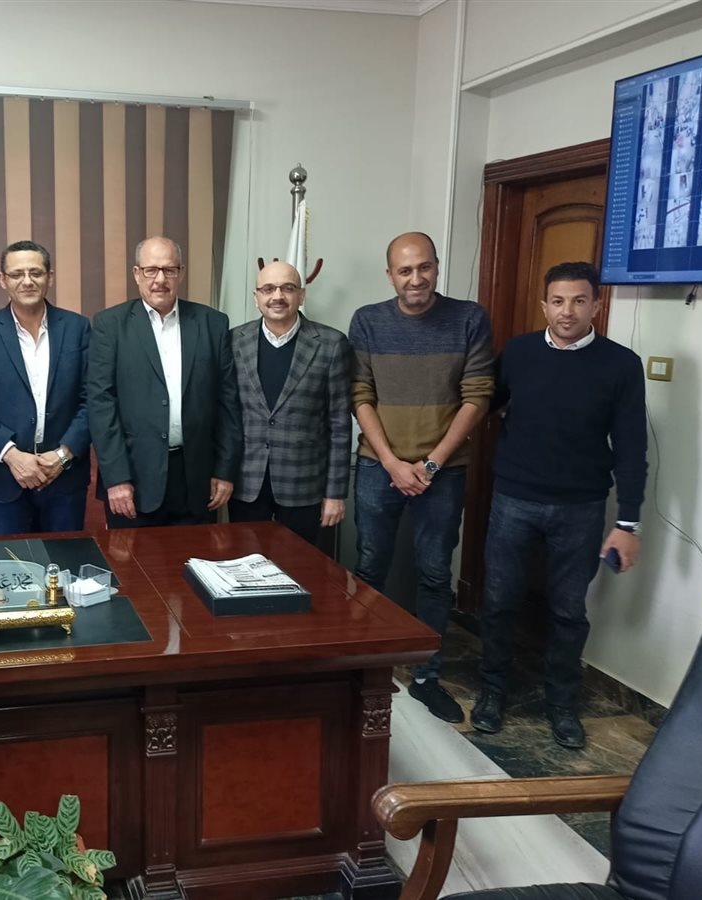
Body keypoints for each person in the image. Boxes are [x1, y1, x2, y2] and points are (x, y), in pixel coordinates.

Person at [471, 261, 647, 749]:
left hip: (580, 507)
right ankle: (492, 691)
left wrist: (628, 523)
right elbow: (484, 404)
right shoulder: (519, 352)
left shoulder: (621, 365)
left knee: (569, 611)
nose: (567, 311)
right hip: (514, 499)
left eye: (578, 301)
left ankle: (562, 703)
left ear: (596, 305)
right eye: (557, 301)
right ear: (544, 305)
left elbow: (631, 447)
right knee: (499, 601)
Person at [349, 232, 495, 723]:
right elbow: (360, 395)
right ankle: (363, 668)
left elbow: (478, 396)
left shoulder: (469, 318)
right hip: (378, 465)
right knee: (370, 566)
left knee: (435, 574)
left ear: (436, 266)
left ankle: (427, 678)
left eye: (424, 267)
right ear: (390, 275)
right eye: (405, 270)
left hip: (443, 472)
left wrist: (431, 464)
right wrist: (392, 462)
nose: (416, 278)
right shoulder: (367, 321)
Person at [88, 236, 241, 527]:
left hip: (197, 480)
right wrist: (117, 478)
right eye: (151, 270)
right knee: (131, 558)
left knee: (196, 556)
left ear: (181, 273)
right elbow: (100, 405)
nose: (160, 279)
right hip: (133, 480)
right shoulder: (110, 325)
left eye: (169, 270)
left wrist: (224, 471)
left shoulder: (212, 323)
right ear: (137, 274)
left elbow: (228, 404)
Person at [0, 240, 91, 534]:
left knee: (65, 558)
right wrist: (12, 455)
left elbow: (93, 399)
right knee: (9, 560)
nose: (27, 281)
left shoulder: (78, 328)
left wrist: (63, 456)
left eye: (36, 273)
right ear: (2, 280)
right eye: (17, 274)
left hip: (64, 478)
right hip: (4, 478)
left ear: (49, 277)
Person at [229, 260, 351, 544]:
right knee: (245, 565)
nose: (277, 296)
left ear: (301, 295)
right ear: (256, 297)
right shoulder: (234, 341)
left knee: (302, 567)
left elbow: (339, 425)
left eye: (287, 288)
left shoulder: (332, 344)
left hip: (304, 486)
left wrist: (335, 493)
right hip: (247, 484)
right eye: (268, 289)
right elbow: (225, 415)